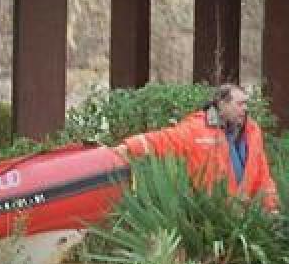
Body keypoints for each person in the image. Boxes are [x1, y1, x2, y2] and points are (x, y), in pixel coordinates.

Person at [114, 83, 279, 212]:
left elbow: (262, 174)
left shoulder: (252, 131)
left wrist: (271, 208)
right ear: (222, 105)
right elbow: (163, 139)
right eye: (240, 104)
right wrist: (129, 147)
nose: (245, 109)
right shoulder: (197, 129)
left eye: (246, 104)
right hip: (213, 217)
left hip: (248, 215)